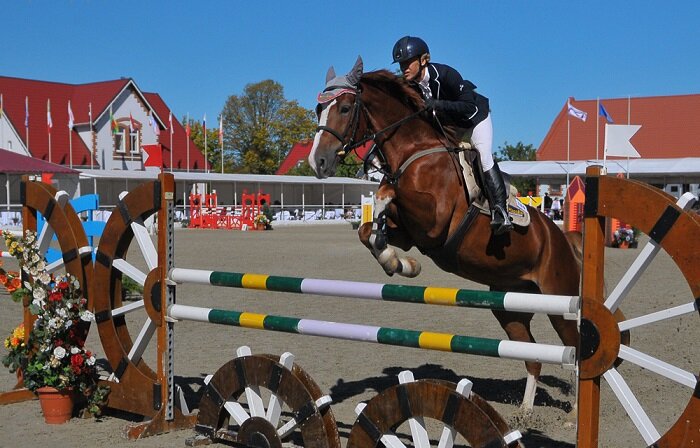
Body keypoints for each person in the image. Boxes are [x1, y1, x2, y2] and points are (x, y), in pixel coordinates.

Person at [391, 36, 513, 235]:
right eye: (401, 63)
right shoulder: (410, 86)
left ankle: (501, 211)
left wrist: (438, 105)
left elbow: (468, 106)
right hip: (451, 127)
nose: (404, 67)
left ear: (423, 60)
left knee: (483, 155)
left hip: (475, 120)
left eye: (407, 62)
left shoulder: (446, 74)